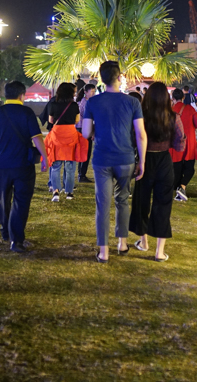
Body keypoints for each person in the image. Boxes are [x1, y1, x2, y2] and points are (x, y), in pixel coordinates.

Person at [82, 61, 147, 263]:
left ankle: (103, 251)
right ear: (120, 77)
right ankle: (122, 243)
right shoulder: (133, 102)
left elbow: (85, 132)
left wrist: (95, 132)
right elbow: (141, 135)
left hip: (102, 158)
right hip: (126, 158)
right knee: (122, 200)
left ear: (101, 79)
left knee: (103, 205)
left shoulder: (93, 102)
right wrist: (142, 161)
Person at [0, 81, 49, 252]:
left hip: (2, 164)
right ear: (22, 95)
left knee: (3, 197)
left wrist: (1, 141)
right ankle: (16, 239)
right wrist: (45, 157)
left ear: (6, 95)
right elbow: (36, 138)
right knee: (21, 201)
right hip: (22, 164)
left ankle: (5, 231)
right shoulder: (27, 112)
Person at [129, 82, 185, 262]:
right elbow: (179, 145)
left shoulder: (141, 116)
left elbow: (134, 138)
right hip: (164, 161)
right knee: (163, 204)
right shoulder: (174, 117)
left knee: (141, 201)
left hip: (144, 160)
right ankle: (159, 252)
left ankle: (143, 241)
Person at [46, 83, 87, 202]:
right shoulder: (74, 105)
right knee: (70, 165)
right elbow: (77, 120)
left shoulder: (53, 104)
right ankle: (69, 192)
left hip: (57, 135)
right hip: (70, 134)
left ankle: (56, 191)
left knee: (56, 165)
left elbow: (50, 120)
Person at [170, 88, 197, 202]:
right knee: (189, 168)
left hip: (175, 143)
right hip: (189, 142)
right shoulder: (190, 109)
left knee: (176, 168)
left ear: (172, 98)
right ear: (183, 97)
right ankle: (182, 187)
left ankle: (178, 188)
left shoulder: (169, 110)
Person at [76, 84, 97, 182]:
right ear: (85, 92)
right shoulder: (85, 103)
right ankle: (82, 174)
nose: (94, 93)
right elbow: (88, 118)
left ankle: (81, 173)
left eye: (94, 91)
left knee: (84, 152)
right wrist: (92, 131)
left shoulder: (85, 102)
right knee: (86, 152)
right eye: (92, 91)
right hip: (84, 129)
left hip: (81, 128)